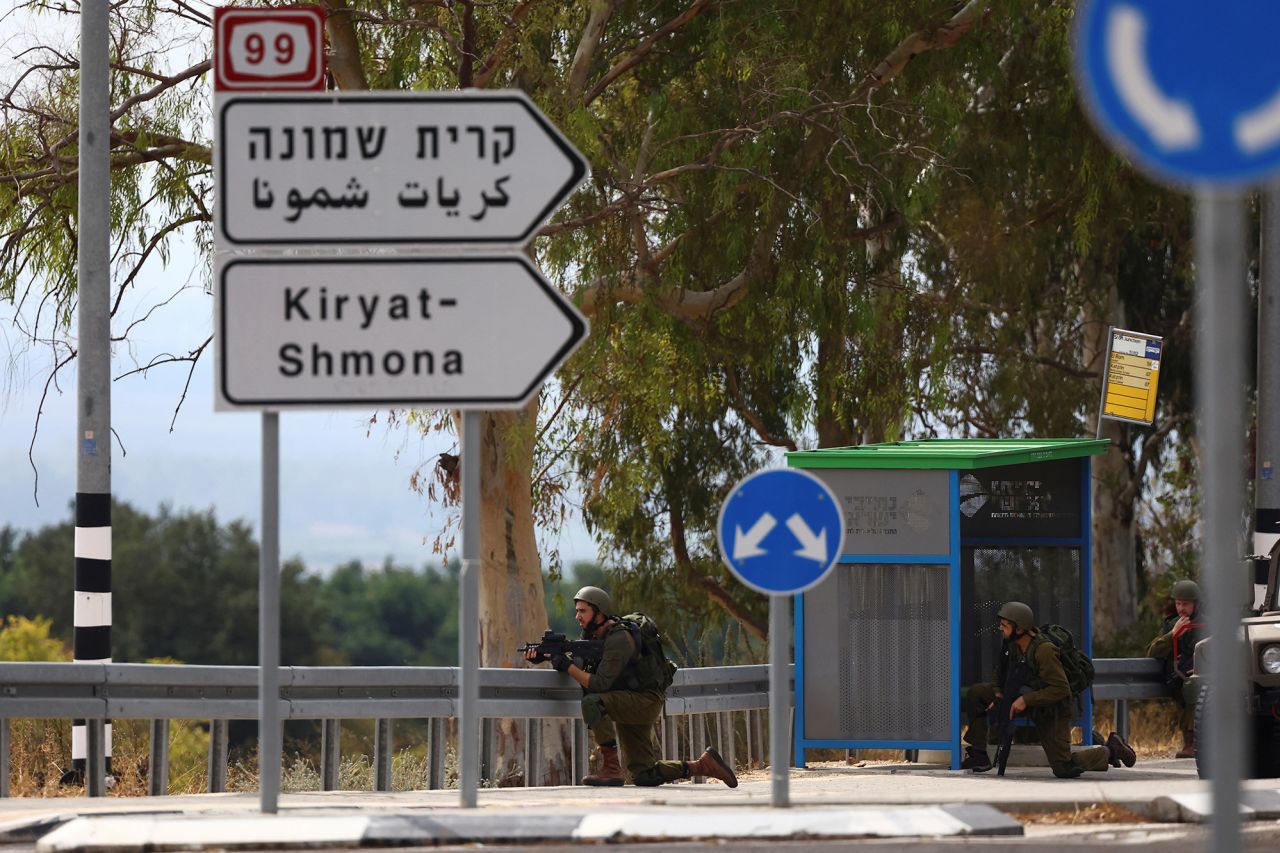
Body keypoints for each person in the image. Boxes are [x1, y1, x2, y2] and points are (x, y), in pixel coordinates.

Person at [525, 585, 738, 788]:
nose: (577, 616)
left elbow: (599, 683)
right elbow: (581, 664)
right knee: (645, 775)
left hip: (644, 701)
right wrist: (547, 657)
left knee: (593, 702)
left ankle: (611, 768)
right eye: (577, 611)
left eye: (583, 611)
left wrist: (567, 665)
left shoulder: (620, 638)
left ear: (599, 613)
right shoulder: (593, 635)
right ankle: (704, 765)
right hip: (628, 698)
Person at [962, 601, 1136, 777]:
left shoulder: (1043, 650)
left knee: (1064, 768)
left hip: (1051, 707)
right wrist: (999, 695)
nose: (1000, 628)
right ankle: (979, 755)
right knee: (977, 693)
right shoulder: (1012, 644)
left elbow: (1060, 689)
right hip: (1019, 697)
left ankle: (1110, 750)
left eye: (1005, 625)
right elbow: (1000, 672)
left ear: (1020, 629)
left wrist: (1026, 700)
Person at [1145, 578, 1203, 758]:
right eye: (1178, 603)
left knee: (1194, 687)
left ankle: (1193, 742)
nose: (1181, 608)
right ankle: (1190, 742)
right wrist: (1172, 635)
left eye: (1185, 604)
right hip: (1178, 676)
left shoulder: (1208, 623)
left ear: (1195, 604)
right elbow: (1152, 651)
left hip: (1204, 675)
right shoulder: (1172, 624)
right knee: (1188, 688)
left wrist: (1202, 667)